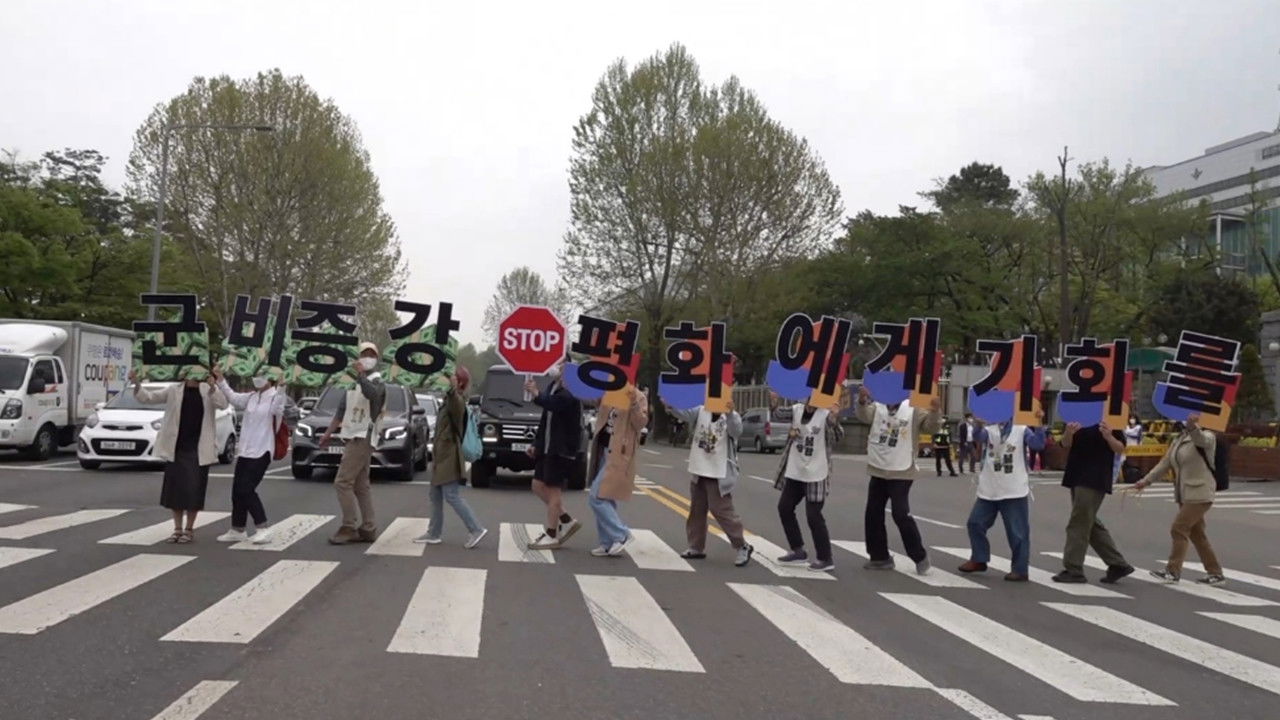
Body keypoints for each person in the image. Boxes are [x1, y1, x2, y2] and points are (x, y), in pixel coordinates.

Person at [130, 367, 228, 544]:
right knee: (175, 491)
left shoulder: (207, 390)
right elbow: (148, 398)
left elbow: (223, 404)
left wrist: (214, 386)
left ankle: (189, 529)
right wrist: (136, 382)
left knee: (194, 490)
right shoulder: (174, 390)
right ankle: (177, 528)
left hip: (199, 448)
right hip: (177, 446)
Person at [856, 386, 943, 574]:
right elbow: (864, 416)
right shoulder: (878, 407)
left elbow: (931, 426)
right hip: (879, 467)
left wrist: (935, 411)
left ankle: (919, 556)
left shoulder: (913, 408)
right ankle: (879, 557)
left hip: (902, 470)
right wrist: (862, 401)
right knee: (873, 512)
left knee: (900, 513)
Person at [1133, 413, 1225, 585]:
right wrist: (1145, 481)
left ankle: (1172, 571)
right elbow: (1165, 463)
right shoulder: (1181, 438)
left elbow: (1201, 440)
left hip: (1200, 492)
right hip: (1185, 493)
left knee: (1179, 528)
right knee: (1198, 534)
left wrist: (1193, 426)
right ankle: (1216, 573)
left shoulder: (1208, 436)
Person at [667, 393, 753, 567]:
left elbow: (737, 431)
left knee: (721, 510)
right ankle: (696, 546)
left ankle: (742, 545)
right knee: (697, 509)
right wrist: (670, 403)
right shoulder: (701, 411)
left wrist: (729, 413)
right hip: (700, 468)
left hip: (719, 471)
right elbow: (683, 413)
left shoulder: (730, 415)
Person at [319, 342, 386, 545]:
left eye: (371, 354)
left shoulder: (377, 381)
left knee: (342, 482)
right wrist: (328, 433)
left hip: (363, 435)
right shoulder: (351, 385)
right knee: (360, 485)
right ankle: (368, 527)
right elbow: (341, 411)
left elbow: (372, 395)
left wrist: (360, 376)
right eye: (363, 354)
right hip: (351, 435)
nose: (367, 357)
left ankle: (349, 525)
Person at [1053, 421, 1134, 584]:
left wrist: (1108, 436)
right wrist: (1069, 432)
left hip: (1095, 477)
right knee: (1088, 522)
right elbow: (1064, 444)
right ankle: (1117, 564)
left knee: (1079, 523)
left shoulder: (1109, 418)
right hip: (1076, 474)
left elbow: (1120, 448)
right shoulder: (1077, 416)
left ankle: (1073, 569)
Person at [415, 366, 487, 548]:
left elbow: (456, 404)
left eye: (452, 377)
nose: (446, 380)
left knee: (452, 495)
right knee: (435, 494)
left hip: (450, 455)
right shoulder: (448, 399)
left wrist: (452, 388)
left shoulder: (457, 400)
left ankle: (476, 528)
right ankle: (434, 533)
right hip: (442, 455)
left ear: (459, 382)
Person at [772, 392, 844, 572]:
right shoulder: (796, 410)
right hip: (796, 470)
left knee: (813, 515)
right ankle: (798, 550)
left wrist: (834, 417)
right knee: (785, 507)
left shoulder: (825, 414)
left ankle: (825, 557)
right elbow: (778, 414)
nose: (809, 400)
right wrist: (773, 402)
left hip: (816, 471)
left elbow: (837, 436)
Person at [212, 366, 284, 544]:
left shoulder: (276, 397)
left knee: (246, 489)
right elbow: (233, 397)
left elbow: (278, 408)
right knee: (237, 491)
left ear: (272, 378)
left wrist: (283, 386)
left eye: (262, 375)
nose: (258, 378)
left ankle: (263, 527)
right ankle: (238, 528)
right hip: (245, 450)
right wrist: (220, 378)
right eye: (256, 374)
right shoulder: (251, 397)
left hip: (263, 450)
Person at [958, 417, 1034, 581]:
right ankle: (979, 558)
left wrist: (1039, 425)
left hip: (1013, 488)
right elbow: (979, 437)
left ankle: (1020, 569)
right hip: (990, 487)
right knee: (975, 523)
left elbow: (1037, 444)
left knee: (1017, 532)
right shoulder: (990, 429)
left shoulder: (1022, 429)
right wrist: (978, 424)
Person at [523, 357, 584, 549]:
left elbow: (554, 404)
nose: (555, 367)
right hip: (548, 447)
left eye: (560, 364)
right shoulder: (553, 386)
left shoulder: (571, 391)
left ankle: (551, 534)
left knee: (553, 488)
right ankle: (566, 520)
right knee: (537, 485)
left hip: (562, 449)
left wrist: (535, 393)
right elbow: (546, 418)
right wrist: (537, 444)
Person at [586, 384, 649, 557]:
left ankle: (621, 534)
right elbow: (592, 401)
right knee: (607, 495)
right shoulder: (609, 389)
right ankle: (607, 542)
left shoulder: (637, 395)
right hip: (603, 449)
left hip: (620, 452)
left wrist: (634, 402)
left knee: (596, 497)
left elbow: (641, 423)